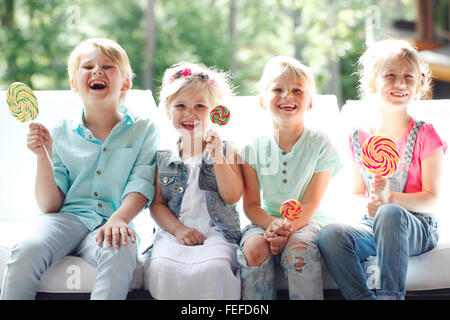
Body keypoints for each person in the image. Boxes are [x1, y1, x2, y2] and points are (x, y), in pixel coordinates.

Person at [0, 38, 159, 300]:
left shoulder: (143, 129)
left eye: (108, 66)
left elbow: (141, 183)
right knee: (28, 249)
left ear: (125, 83)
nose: (97, 71)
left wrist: (119, 218)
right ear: (74, 84)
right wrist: (43, 157)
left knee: (122, 249)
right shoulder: (59, 130)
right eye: (88, 67)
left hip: (112, 220)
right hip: (65, 219)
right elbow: (49, 206)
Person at [318, 39, 447, 300]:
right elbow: (356, 192)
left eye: (408, 77)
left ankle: (391, 296)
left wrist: (391, 199)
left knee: (390, 214)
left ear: (419, 85)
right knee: (330, 235)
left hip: (417, 227)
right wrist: (371, 203)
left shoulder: (425, 134)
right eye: (390, 76)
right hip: (373, 223)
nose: (400, 83)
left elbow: (432, 197)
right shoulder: (359, 136)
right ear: (372, 83)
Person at [237, 56, 343, 300]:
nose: (287, 96)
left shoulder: (321, 144)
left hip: (308, 221)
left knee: (299, 250)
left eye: (297, 90)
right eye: (277, 90)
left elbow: (310, 204)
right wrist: (272, 226)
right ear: (263, 101)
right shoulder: (252, 148)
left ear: (310, 103)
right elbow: (251, 205)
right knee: (253, 248)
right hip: (265, 219)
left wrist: (286, 231)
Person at [145, 62, 243, 300]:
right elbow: (157, 204)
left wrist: (217, 156)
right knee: (161, 266)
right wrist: (178, 230)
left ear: (214, 111)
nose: (190, 113)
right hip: (176, 231)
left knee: (215, 268)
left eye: (200, 106)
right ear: (168, 110)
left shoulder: (226, 149)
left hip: (217, 231)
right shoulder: (163, 157)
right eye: (180, 106)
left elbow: (233, 196)